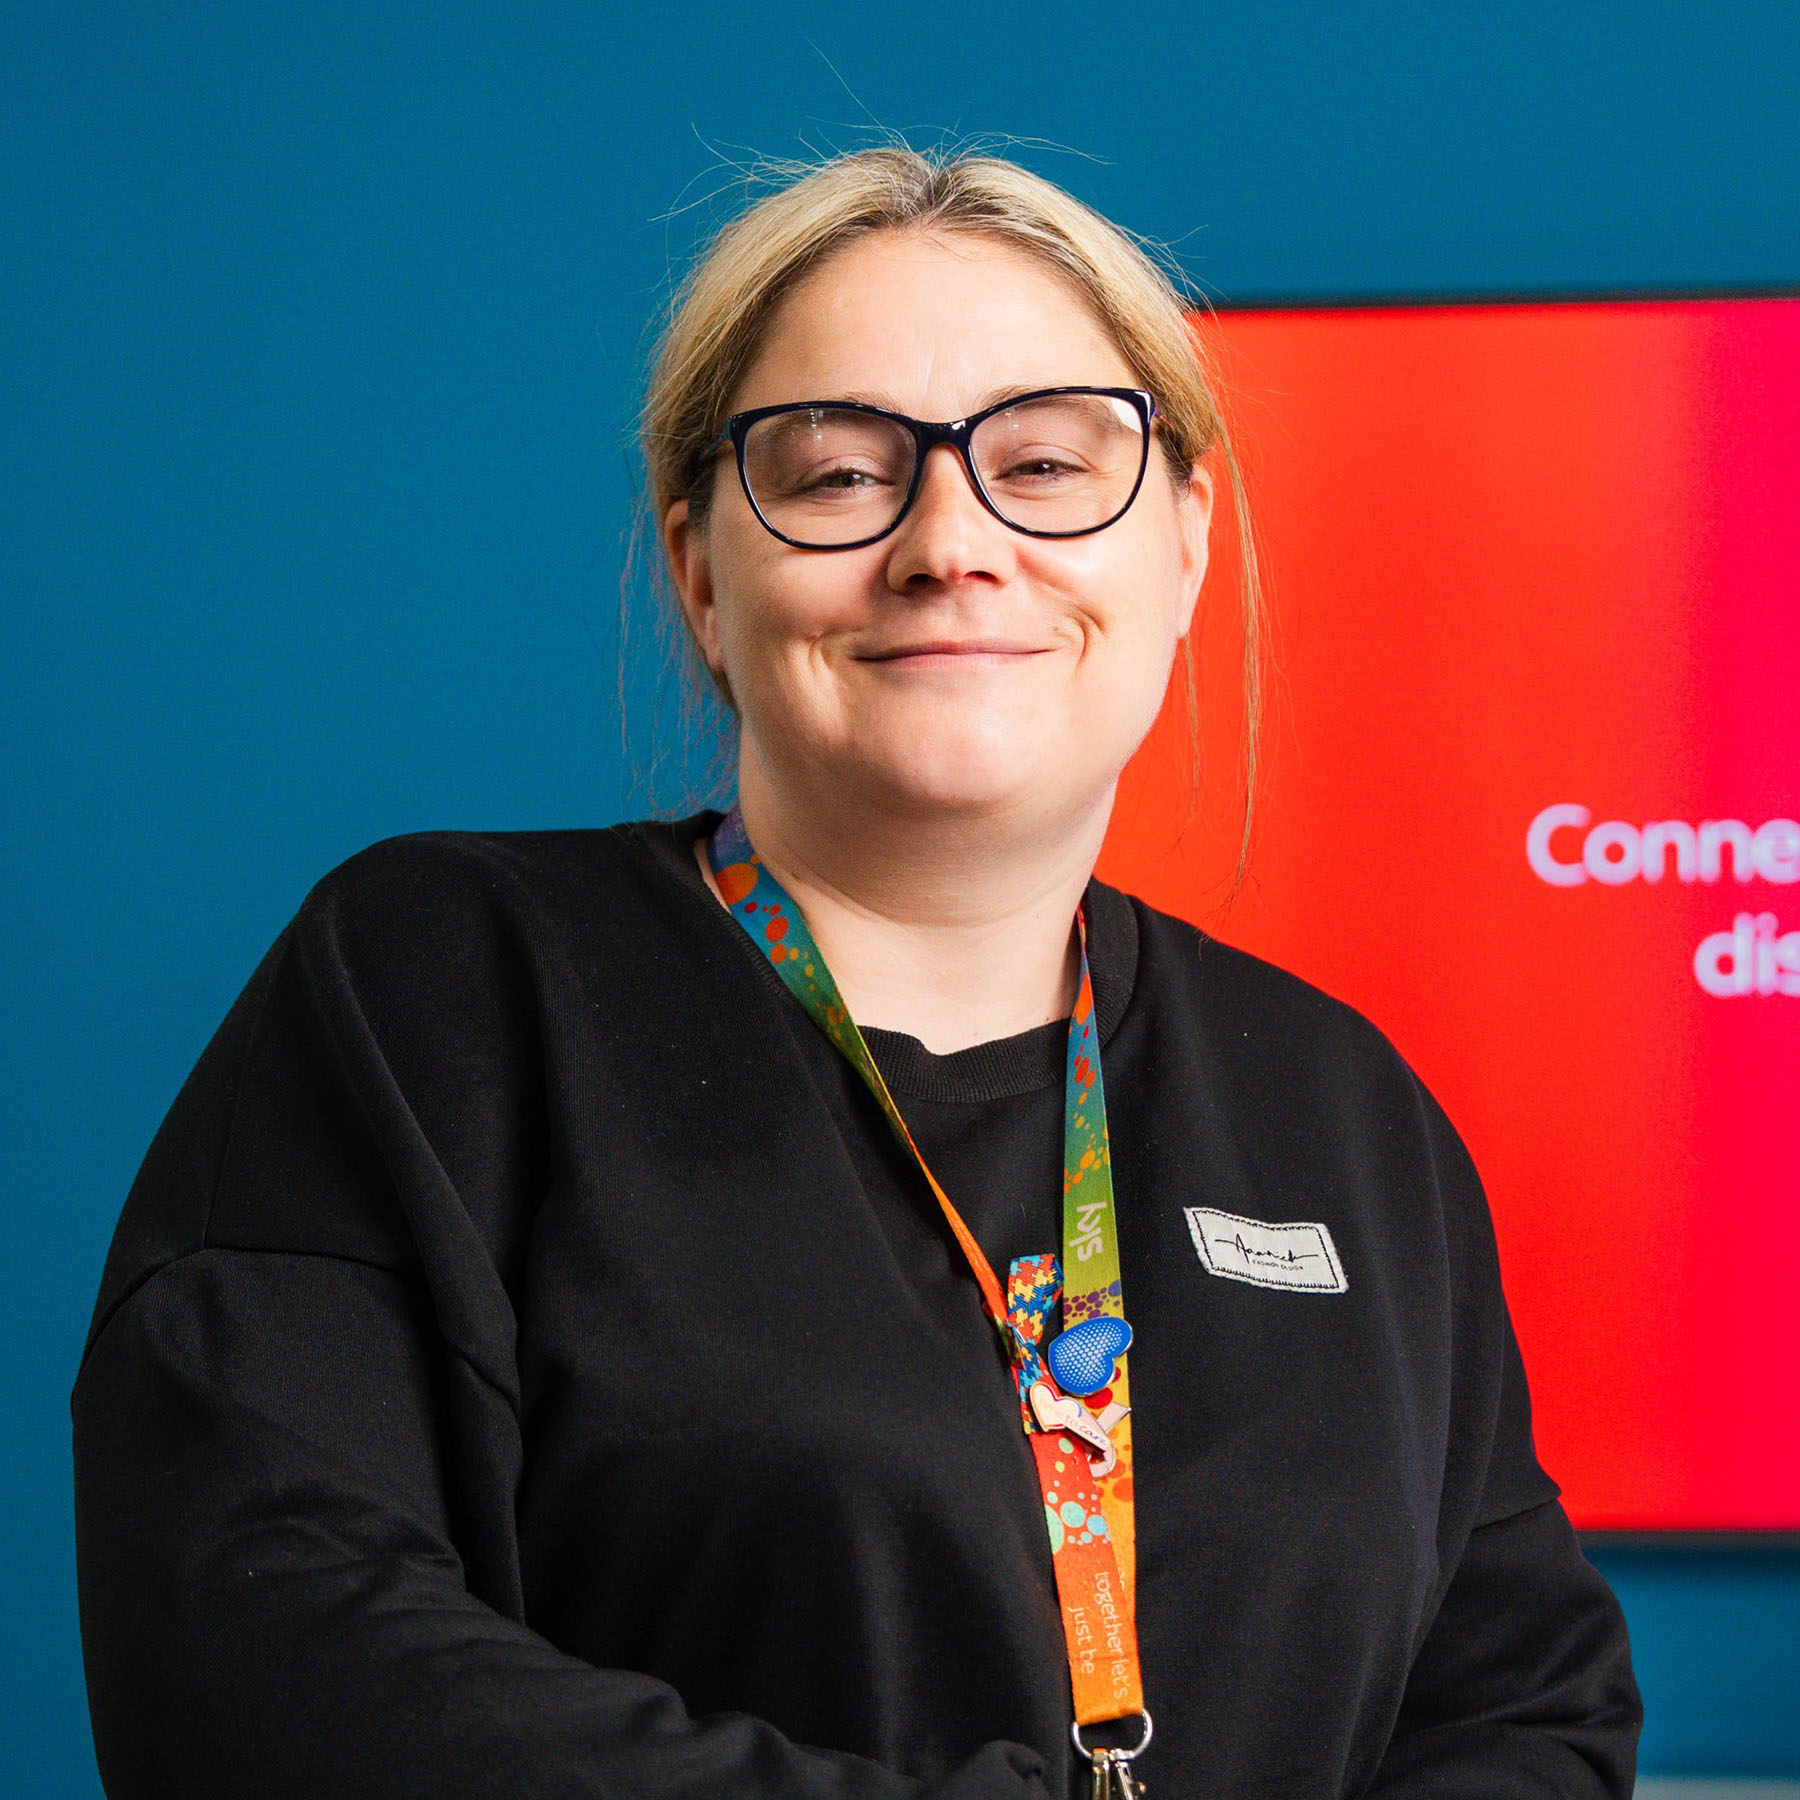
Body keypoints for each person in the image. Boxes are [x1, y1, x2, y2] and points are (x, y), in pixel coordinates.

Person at [72, 146, 1641, 1800]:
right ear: (697, 568)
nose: (952, 542)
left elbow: (1526, 1715)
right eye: (834, 477)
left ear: (1183, 547)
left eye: (1045, 463)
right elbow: (265, 1659)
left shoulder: (1340, 1107)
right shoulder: (438, 994)